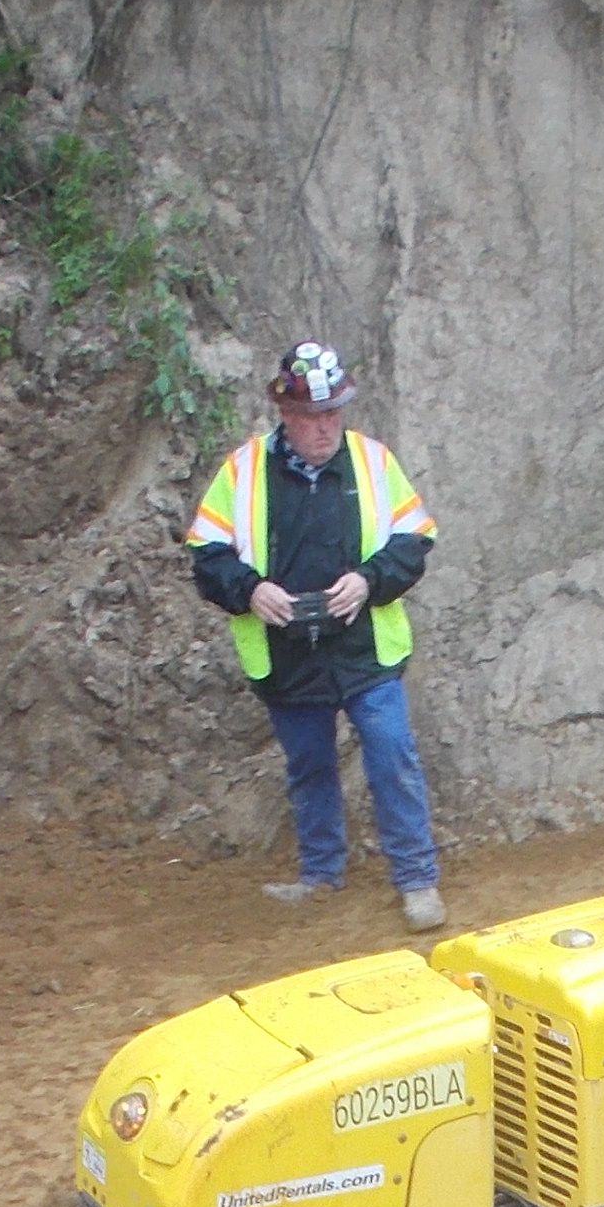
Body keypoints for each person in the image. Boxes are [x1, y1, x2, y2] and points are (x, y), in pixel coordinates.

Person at [187, 342, 445, 929]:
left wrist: (368, 580)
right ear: (286, 415)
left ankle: (417, 880)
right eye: (311, 417)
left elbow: (414, 542)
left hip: (365, 648)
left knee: (391, 753)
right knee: (309, 765)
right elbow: (206, 555)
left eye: (333, 414)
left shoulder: (374, 462)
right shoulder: (243, 471)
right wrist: (251, 590)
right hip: (286, 651)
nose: (325, 428)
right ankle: (321, 872)